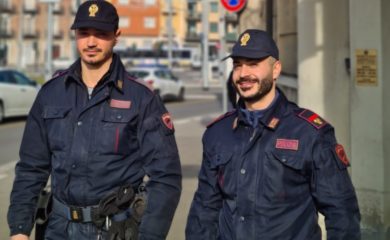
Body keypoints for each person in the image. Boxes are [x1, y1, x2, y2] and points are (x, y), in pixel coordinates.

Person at [7, 1, 182, 239]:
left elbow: (166, 177)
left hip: (114, 230)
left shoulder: (142, 98)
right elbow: (31, 168)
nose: (91, 42)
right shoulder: (51, 93)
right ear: (75, 35)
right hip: (57, 228)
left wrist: (150, 235)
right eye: (84, 33)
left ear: (116, 36)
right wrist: (19, 229)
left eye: (101, 34)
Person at [186, 29, 360, 239]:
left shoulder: (309, 133)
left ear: (275, 69)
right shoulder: (218, 133)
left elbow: (342, 212)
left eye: (253, 64)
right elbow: (204, 210)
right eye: (238, 65)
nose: (243, 74)